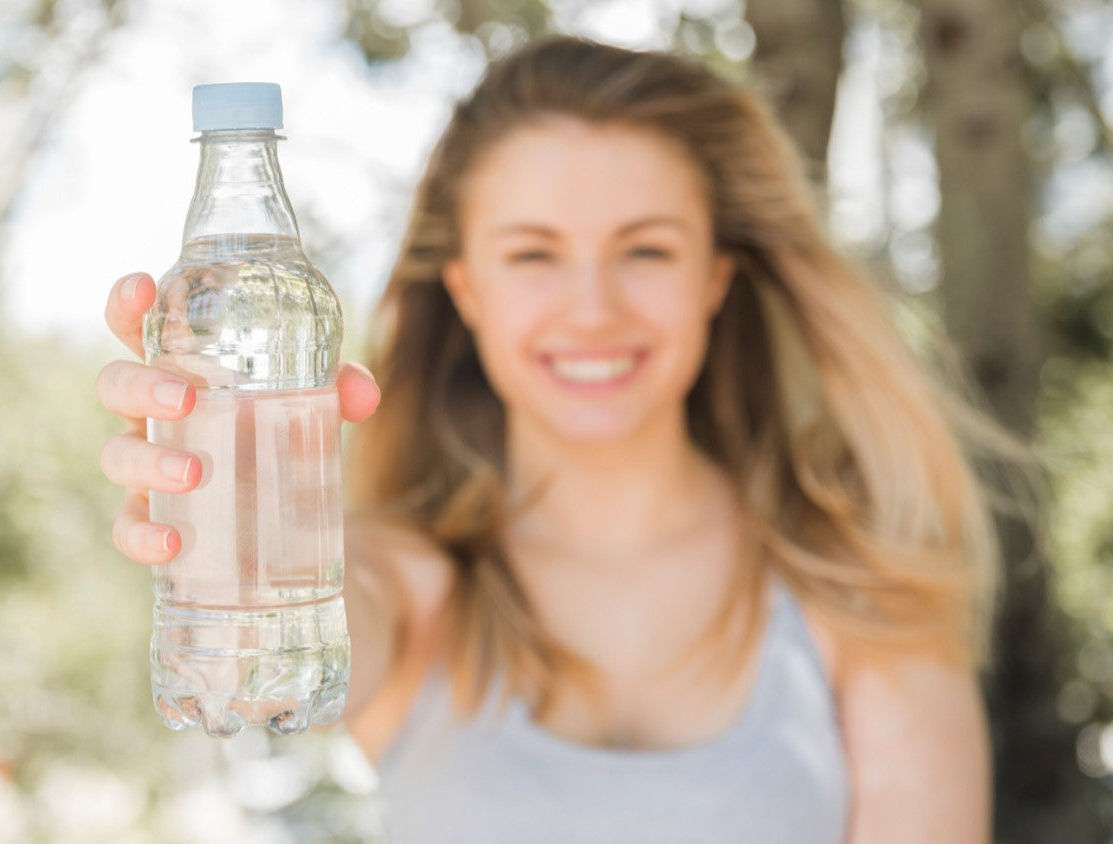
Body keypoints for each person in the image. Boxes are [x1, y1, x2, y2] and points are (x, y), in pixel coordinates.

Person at [98, 35, 1016, 842]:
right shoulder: (414, 589)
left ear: (715, 279)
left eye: (646, 250)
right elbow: (278, 669)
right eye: (533, 254)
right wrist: (236, 518)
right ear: (466, 290)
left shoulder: (861, 586)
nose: (591, 310)